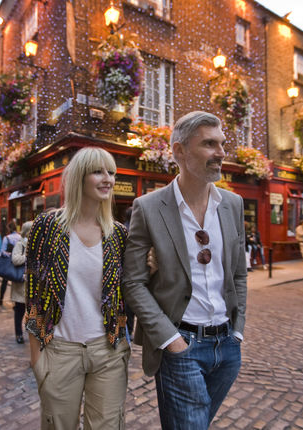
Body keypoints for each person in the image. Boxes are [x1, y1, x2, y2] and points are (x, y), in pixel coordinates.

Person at [123, 111, 247, 429]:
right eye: (209, 144)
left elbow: (238, 274)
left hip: (227, 348)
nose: (221, 152)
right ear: (180, 151)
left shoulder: (233, 204)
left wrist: (238, 331)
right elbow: (133, 281)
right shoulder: (148, 207)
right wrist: (170, 339)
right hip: (182, 345)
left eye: (221, 143)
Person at [26, 147, 130, 429]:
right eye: (98, 171)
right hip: (59, 350)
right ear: (79, 178)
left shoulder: (118, 234)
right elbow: (33, 293)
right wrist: (37, 357)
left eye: (111, 172)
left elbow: (127, 292)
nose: (108, 178)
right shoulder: (47, 226)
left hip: (108, 349)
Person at [10, 221, 32, 343]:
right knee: (19, 310)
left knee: (32, 309)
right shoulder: (20, 244)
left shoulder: (38, 244)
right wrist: (29, 256)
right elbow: (15, 259)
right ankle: (18, 333)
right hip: (21, 283)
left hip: (33, 283)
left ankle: (29, 330)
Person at [0, 220, 21, 306]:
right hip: (18, 261)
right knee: (17, 280)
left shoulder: (7, 238)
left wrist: (8, 254)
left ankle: (1, 298)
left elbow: (3, 251)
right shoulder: (20, 237)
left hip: (8, 262)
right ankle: (16, 302)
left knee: (5, 281)